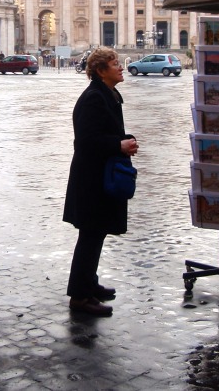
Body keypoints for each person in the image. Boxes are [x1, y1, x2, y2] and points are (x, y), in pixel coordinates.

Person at [63, 47, 138, 316]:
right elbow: (85, 140)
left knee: (96, 233)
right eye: (114, 63)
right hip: (91, 179)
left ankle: (89, 283)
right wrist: (119, 144)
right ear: (100, 70)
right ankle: (80, 297)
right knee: (90, 235)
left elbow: (103, 132)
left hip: (98, 174)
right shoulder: (94, 97)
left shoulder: (107, 94)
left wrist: (123, 139)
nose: (120, 67)